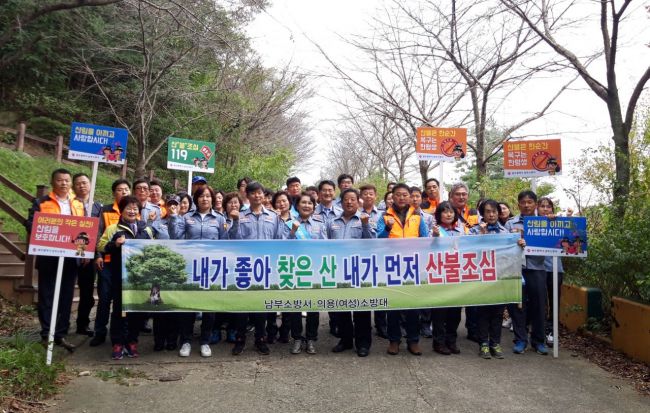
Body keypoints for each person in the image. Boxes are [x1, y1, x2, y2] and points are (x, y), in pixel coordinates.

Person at [168, 186, 240, 358]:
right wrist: (172, 217)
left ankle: (205, 341)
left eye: (208, 196)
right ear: (196, 199)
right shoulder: (186, 218)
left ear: (212, 199)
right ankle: (185, 341)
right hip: (190, 267)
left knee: (209, 307)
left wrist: (235, 222)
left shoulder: (219, 218)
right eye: (201, 196)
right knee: (188, 306)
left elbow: (227, 241)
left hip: (211, 269)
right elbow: (175, 237)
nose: (204, 199)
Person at [98, 196, 168, 360]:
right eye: (128, 208)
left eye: (135, 208)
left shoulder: (147, 229)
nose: (132, 211)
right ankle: (117, 343)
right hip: (120, 276)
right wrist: (114, 244)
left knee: (137, 311)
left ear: (139, 211)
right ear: (121, 210)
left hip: (142, 277)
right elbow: (101, 246)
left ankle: (132, 341)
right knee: (119, 311)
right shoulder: (113, 228)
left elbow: (157, 246)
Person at [26, 169, 85, 352]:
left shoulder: (77, 204)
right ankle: (46, 334)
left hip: (70, 258)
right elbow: (30, 224)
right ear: (53, 182)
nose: (64, 184)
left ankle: (60, 334)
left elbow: (83, 229)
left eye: (67, 180)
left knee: (66, 297)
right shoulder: (42, 202)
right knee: (47, 295)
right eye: (60, 180)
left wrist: (82, 253)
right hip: (48, 256)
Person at [232, 181, 288, 356]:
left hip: (265, 266)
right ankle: (240, 339)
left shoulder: (273, 216)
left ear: (264, 195)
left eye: (260, 193)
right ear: (247, 196)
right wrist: (234, 222)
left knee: (261, 306)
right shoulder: (240, 216)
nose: (257, 196)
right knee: (242, 305)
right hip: (244, 266)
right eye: (253, 193)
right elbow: (232, 240)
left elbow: (280, 239)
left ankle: (260, 339)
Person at [377, 183, 429, 356]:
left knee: (413, 306)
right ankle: (394, 340)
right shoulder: (384, 216)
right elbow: (377, 240)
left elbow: (425, 238)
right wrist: (387, 228)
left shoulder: (417, 216)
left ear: (409, 196)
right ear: (392, 197)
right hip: (391, 266)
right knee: (393, 306)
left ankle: (413, 341)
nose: (401, 197)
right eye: (398, 194)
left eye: (404, 194)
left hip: (412, 265)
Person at [329, 188, 376, 357]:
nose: (349, 202)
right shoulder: (333, 221)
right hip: (339, 269)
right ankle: (346, 340)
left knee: (361, 308)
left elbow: (373, 242)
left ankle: (363, 344)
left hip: (359, 270)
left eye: (353, 199)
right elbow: (326, 244)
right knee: (342, 308)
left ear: (358, 202)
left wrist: (365, 224)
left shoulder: (366, 219)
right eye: (346, 199)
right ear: (341, 203)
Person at [505, 190, 548, 355]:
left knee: (538, 306)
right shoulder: (511, 224)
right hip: (517, 269)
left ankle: (538, 341)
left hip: (537, 268)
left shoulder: (543, 222)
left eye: (530, 202)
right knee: (517, 306)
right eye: (523, 202)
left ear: (535, 204)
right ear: (518, 204)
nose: (526, 205)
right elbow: (505, 245)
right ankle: (520, 340)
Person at [90, 178, 131, 346]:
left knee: (123, 301)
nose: (123, 192)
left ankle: (122, 334)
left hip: (127, 265)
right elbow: (98, 236)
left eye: (126, 189)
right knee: (105, 299)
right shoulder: (105, 211)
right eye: (120, 190)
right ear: (114, 193)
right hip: (107, 262)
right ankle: (99, 332)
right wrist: (97, 255)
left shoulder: (134, 211)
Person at [287, 192, 328, 355]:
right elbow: (281, 247)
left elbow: (325, 247)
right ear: (297, 206)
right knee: (295, 306)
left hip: (314, 270)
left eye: (309, 203)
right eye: (303, 203)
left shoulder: (319, 224)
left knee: (313, 306)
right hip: (294, 270)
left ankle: (311, 339)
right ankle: (297, 338)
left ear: (313, 206)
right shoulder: (289, 223)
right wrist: (292, 233)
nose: (306, 205)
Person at [469, 199, 507, 359]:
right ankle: (483, 343)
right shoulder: (473, 232)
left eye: (494, 211)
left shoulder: (506, 233)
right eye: (487, 212)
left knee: (497, 313)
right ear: (482, 214)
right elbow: (470, 252)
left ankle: (495, 343)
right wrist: (482, 236)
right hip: (482, 278)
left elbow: (509, 255)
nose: (491, 215)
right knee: (483, 312)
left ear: (498, 213)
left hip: (500, 278)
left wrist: (520, 244)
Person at [430, 201, 464, 355]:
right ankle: (438, 342)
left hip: (457, 275)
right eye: (445, 211)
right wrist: (435, 238)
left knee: (455, 312)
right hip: (439, 276)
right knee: (439, 312)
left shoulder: (461, 230)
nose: (449, 214)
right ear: (439, 214)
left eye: (451, 211)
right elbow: (427, 251)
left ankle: (451, 340)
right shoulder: (434, 231)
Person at [448, 182, 480, 343]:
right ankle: (450, 334)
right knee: (453, 300)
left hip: (471, 261)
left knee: (473, 298)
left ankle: (473, 330)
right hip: (452, 262)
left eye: (464, 194)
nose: (461, 197)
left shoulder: (475, 215)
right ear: (451, 196)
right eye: (457, 194)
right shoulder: (445, 213)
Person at [71, 173, 102, 337]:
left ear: (90, 185)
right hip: (70, 253)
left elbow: (97, 233)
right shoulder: (69, 205)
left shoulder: (97, 207)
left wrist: (93, 253)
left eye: (84, 183)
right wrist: (79, 250)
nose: (82, 186)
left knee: (87, 292)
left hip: (90, 256)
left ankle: (82, 324)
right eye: (78, 183)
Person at [537, 197, 564, 346]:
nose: (545, 209)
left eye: (548, 206)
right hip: (538, 269)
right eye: (542, 206)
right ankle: (540, 331)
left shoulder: (558, 222)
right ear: (537, 208)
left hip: (555, 269)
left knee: (554, 302)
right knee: (541, 303)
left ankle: (552, 331)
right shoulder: (532, 224)